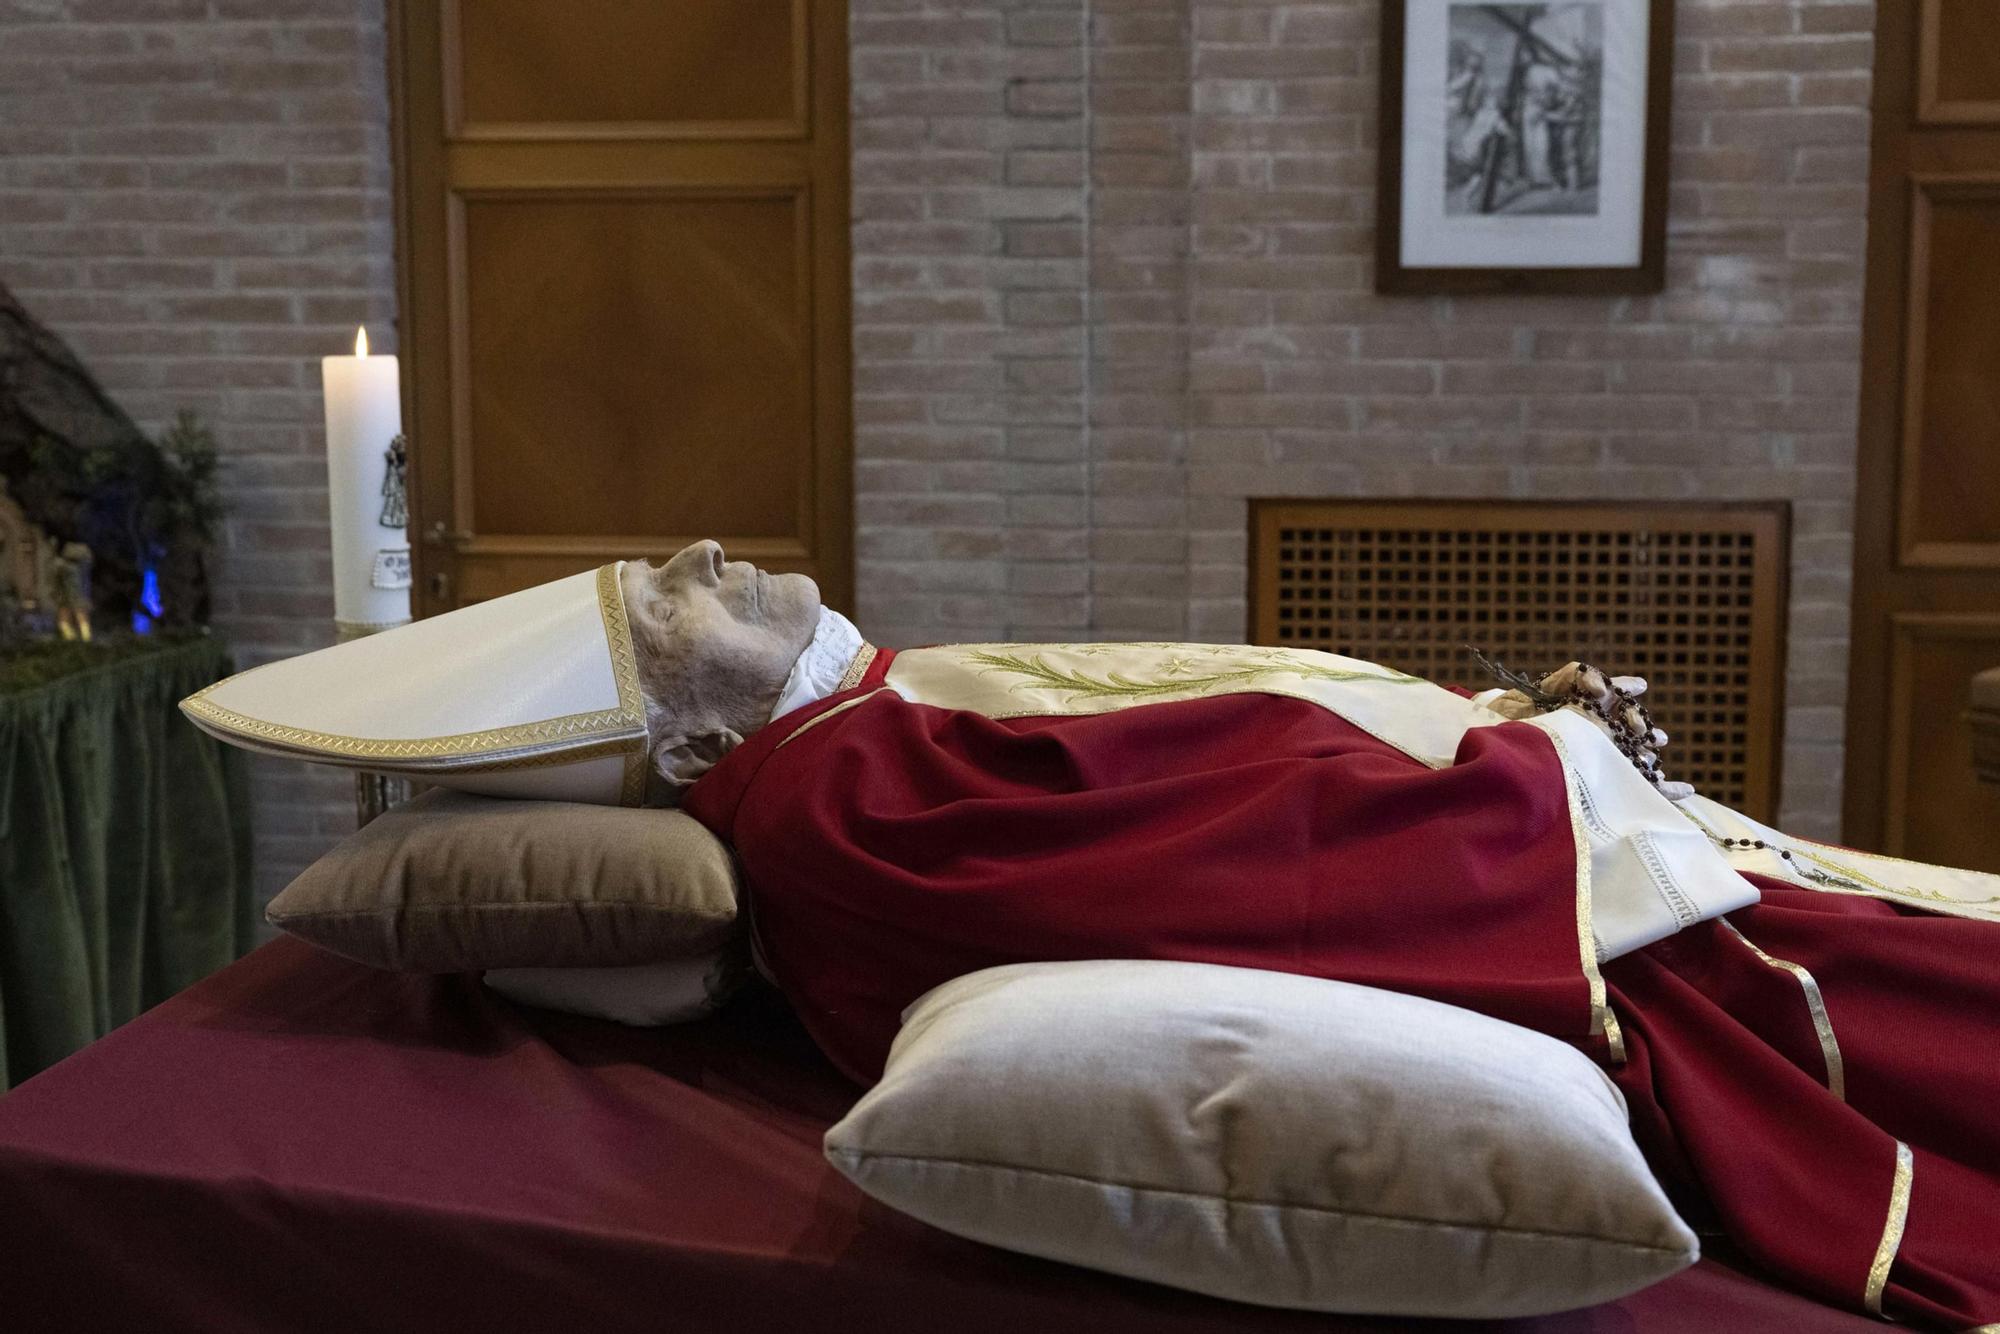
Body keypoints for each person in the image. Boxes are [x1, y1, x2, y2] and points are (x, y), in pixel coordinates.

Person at [186, 541, 2000, 1329]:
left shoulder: (858, 719)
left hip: (1572, 818)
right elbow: (1227, 860)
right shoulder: (839, 806)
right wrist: (1520, 775)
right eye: (678, 601)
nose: (723, 560)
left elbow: (1217, 732)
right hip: (1578, 897)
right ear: (675, 723)